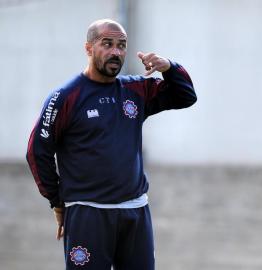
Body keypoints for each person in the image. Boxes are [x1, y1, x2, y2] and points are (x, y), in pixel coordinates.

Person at [26, 18, 197, 270]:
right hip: (88, 214)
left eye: (121, 45)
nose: (116, 52)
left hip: (135, 212)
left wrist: (169, 67)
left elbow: (185, 96)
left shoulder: (135, 89)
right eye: (107, 44)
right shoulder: (65, 97)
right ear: (88, 48)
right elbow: (37, 151)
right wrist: (56, 200)